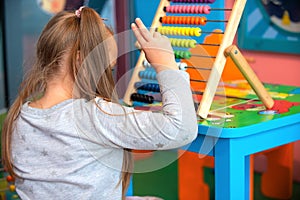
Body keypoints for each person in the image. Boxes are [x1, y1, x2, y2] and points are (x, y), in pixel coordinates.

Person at [1, 6, 198, 200]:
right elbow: (181, 129)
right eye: (108, 69)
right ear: (81, 61)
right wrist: (167, 64)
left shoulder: (20, 117)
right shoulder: (93, 116)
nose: (108, 77)